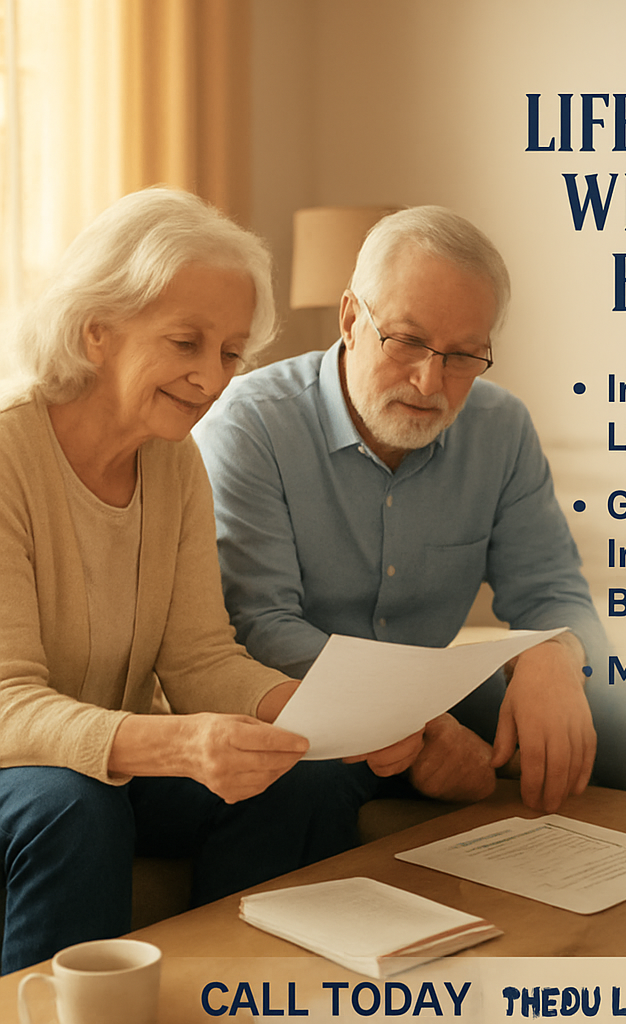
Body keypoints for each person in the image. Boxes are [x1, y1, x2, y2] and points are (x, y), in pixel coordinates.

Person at [0, 188, 426, 975]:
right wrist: (177, 742)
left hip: (102, 763)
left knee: (303, 782)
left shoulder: (174, 461)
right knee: (74, 805)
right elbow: (7, 705)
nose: (209, 378)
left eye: (230, 353)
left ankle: (258, 994)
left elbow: (198, 657)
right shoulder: (8, 458)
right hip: (24, 779)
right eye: (185, 342)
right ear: (97, 331)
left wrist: (332, 721)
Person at [193, 206, 626, 816]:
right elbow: (262, 627)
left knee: (616, 709)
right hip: (301, 694)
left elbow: (553, 590)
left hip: (430, 689)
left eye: (463, 355)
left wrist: (553, 653)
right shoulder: (252, 424)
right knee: (320, 771)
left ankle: (573, 890)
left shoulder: (501, 427)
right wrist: (423, 726)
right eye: (407, 342)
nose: (430, 382)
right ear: (352, 319)